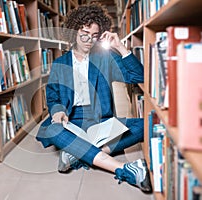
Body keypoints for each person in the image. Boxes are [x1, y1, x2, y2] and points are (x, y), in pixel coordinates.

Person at [35, 3, 152, 193]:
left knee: (146, 124)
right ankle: (124, 169)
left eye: (94, 36)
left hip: (101, 119)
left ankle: (76, 153)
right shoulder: (59, 63)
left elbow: (139, 77)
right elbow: (53, 95)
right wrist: (57, 111)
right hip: (71, 119)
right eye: (84, 34)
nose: (89, 40)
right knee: (52, 130)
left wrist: (120, 47)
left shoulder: (104, 58)